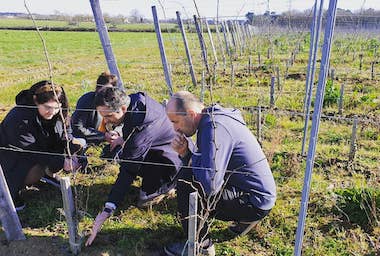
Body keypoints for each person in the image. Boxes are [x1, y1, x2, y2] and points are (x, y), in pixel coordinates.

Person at [163, 91, 277, 256]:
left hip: (253, 200)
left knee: (186, 183)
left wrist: (187, 157)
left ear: (191, 114)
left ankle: (200, 246)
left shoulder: (214, 129)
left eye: (176, 121)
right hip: (256, 193)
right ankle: (246, 219)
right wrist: (188, 155)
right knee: (192, 176)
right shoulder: (215, 119)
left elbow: (210, 185)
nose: (175, 128)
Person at [85, 87, 182, 246]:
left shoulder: (142, 124)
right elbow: (141, 139)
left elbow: (129, 169)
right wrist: (125, 141)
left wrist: (108, 208)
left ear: (122, 108)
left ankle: (169, 185)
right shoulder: (136, 101)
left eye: (108, 116)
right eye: (103, 116)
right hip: (160, 148)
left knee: (144, 201)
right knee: (121, 151)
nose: (106, 121)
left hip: (169, 163)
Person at [0, 80, 82, 211]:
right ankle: (11, 191)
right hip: (12, 159)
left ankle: (46, 175)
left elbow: (66, 133)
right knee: (31, 166)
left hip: (40, 152)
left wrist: (71, 152)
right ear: (35, 101)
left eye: (57, 107)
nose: (52, 112)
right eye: (48, 108)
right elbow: (31, 151)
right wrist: (62, 161)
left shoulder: (59, 114)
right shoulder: (19, 119)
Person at [71, 71, 121, 158]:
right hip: (88, 139)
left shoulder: (117, 101)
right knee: (80, 143)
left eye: (109, 91)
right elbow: (77, 127)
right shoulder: (86, 100)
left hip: (109, 139)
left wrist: (116, 133)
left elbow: (123, 121)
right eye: (103, 90)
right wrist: (103, 136)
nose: (105, 94)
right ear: (97, 89)